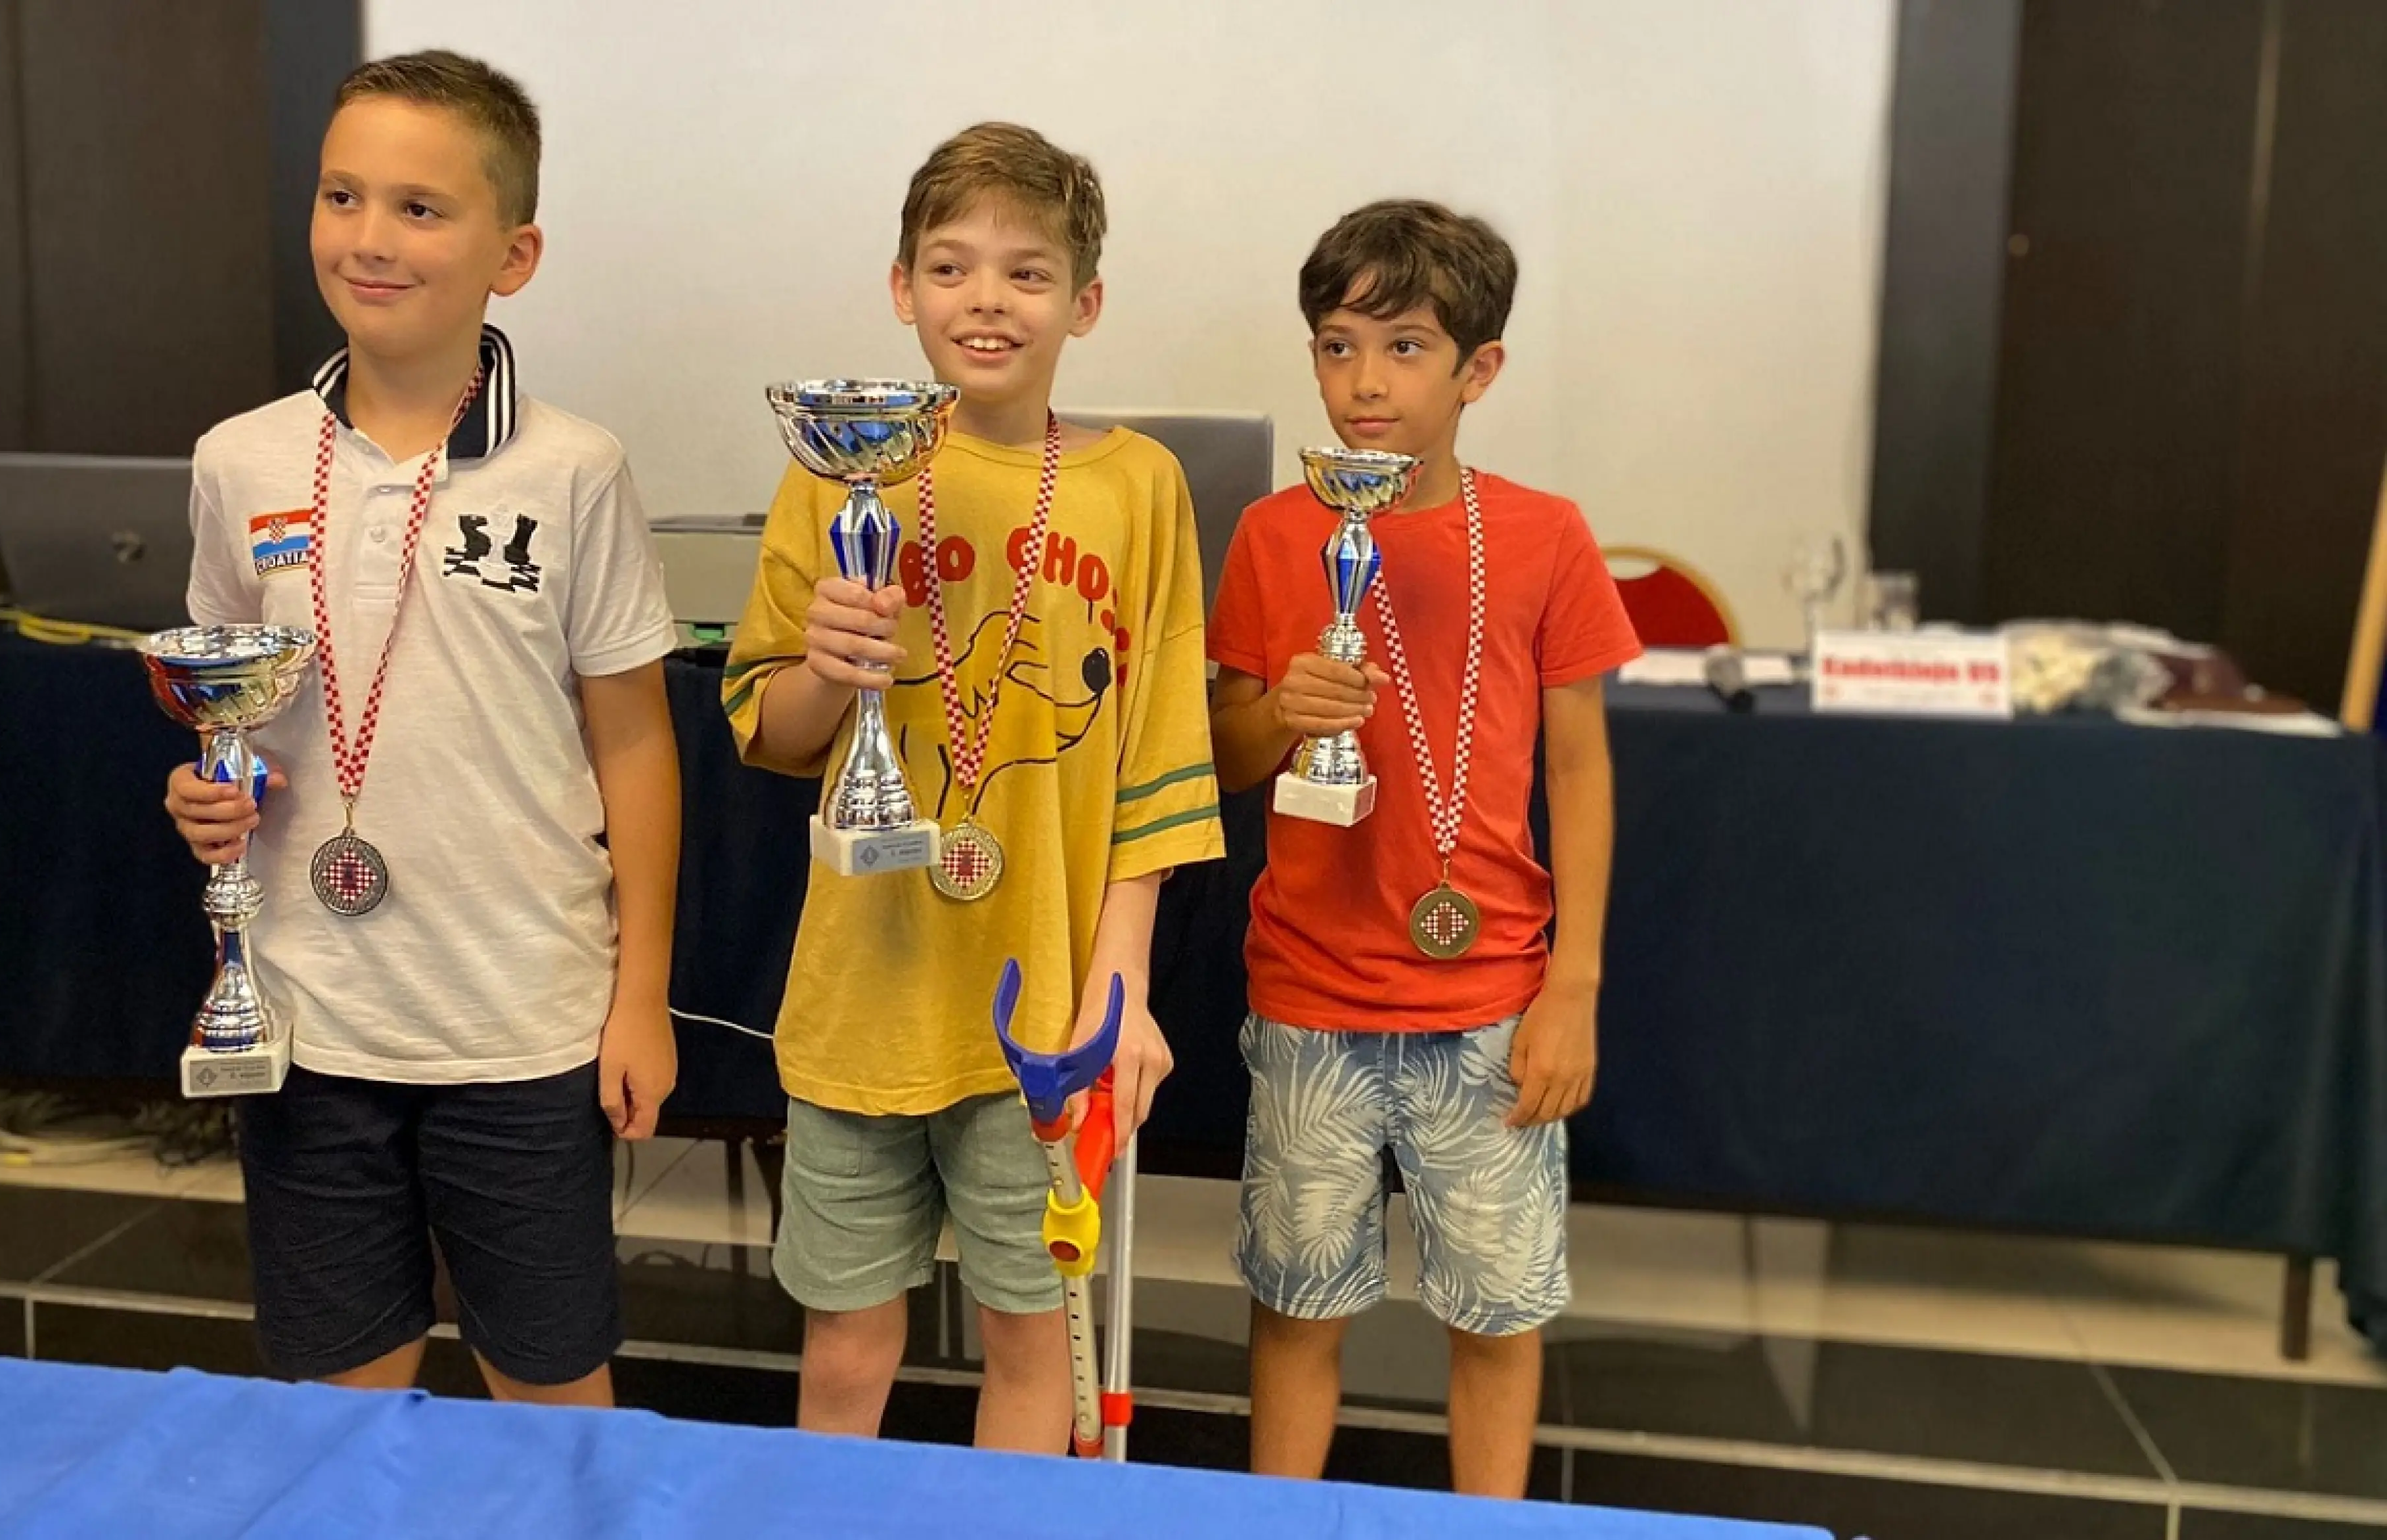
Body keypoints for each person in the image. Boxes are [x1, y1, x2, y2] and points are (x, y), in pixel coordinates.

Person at [165, 50, 681, 1405]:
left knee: (551, 1396)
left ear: (515, 255)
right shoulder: (240, 457)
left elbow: (635, 744)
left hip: (522, 1020)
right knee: (339, 1405)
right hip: (310, 1019)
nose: (370, 238)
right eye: (342, 196)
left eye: (419, 208)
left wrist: (639, 997)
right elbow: (225, 697)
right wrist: (209, 786)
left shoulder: (574, 470)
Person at [721, 122, 1223, 1451]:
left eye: (1027, 272)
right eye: (950, 268)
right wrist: (826, 666)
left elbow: (1159, 756)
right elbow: (770, 727)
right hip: (863, 998)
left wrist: (1120, 985)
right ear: (903, 288)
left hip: (1042, 1007)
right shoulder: (837, 469)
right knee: (845, 1345)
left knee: (1033, 1340)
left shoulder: (1141, 486)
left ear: (1085, 303)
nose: (986, 300)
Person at [1207, 198, 1643, 1496]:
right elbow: (1219, 758)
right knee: (1297, 1304)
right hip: (1311, 994)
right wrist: (1283, 713)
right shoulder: (1275, 533)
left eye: (1405, 348)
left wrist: (1574, 986)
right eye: (1337, 347)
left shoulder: (1546, 535)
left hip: (1492, 998)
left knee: (1497, 1315)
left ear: (1478, 369)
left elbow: (1581, 768)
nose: (1365, 383)